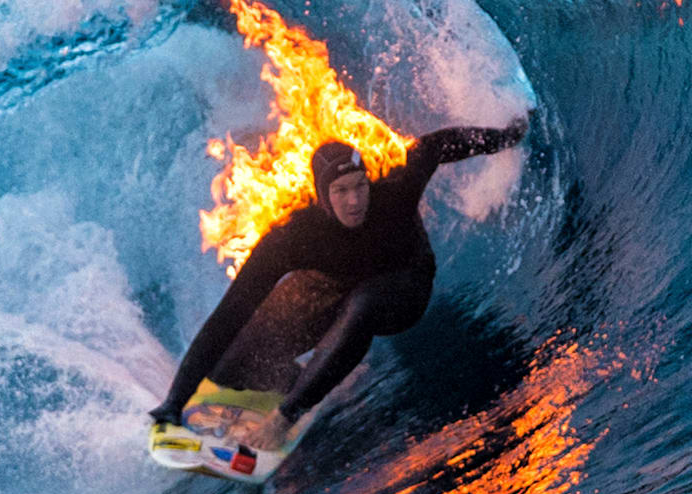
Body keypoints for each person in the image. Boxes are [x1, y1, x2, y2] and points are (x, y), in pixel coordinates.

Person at [148, 118, 529, 448]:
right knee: (228, 367)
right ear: (323, 197)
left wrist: (507, 136)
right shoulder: (294, 237)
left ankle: (287, 413)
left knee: (363, 304)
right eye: (341, 191)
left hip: (403, 287)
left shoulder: (393, 194)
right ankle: (308, 382)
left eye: (359, 186)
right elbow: (229, 314)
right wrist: (174, 401)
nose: (354, 200)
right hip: (336, 287)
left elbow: (434, 147)